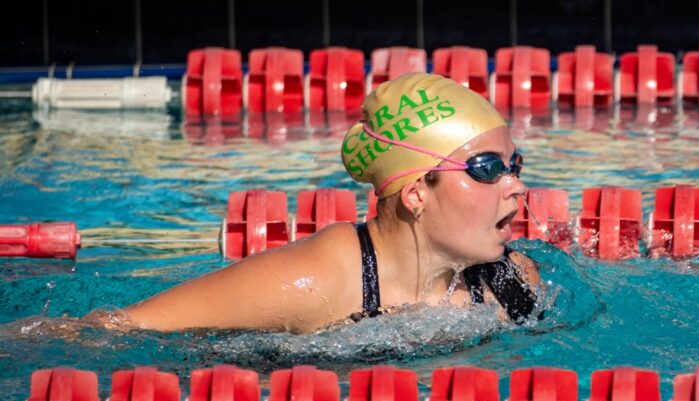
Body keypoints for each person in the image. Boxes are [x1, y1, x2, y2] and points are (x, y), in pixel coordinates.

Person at [119, 73, 541, 333]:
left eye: (513, 165)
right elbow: (124, 328)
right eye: (487, 168)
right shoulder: (324, 278)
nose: (516, 187)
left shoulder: (513, 285)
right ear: (416, 193)